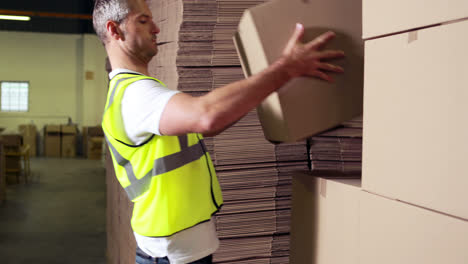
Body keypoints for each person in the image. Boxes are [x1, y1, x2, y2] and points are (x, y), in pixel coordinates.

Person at [93, 0, 345, 263]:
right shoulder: (135, 95)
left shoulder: (135, 91)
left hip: (176, 248)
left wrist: (266, 86)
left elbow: (212, 124)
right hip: (172, 253)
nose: (156, 29)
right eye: (143, 21)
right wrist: (285, 68)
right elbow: (207, 116)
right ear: (115, 30)